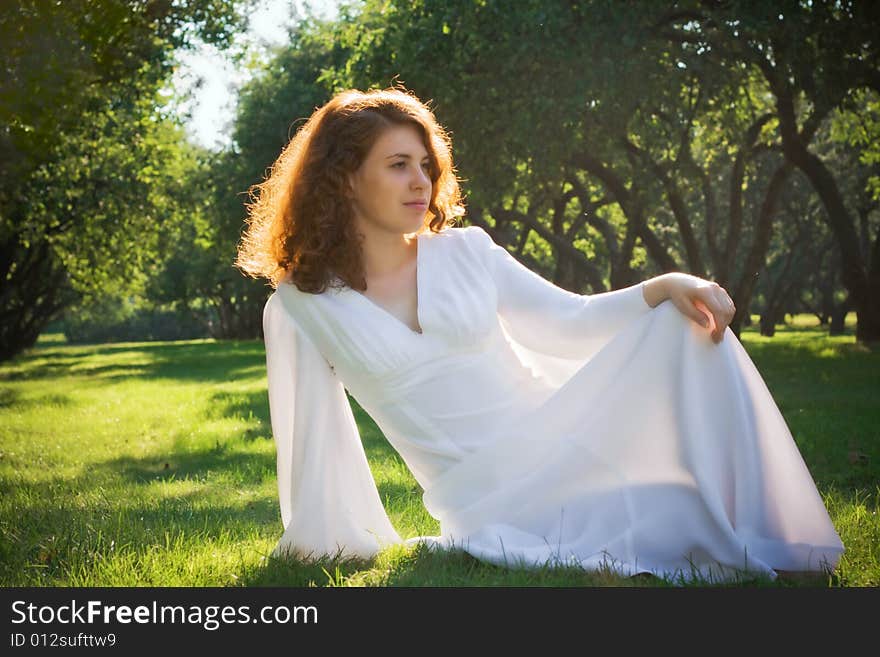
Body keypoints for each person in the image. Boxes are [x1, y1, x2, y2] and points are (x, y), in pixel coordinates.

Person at [235, 85, 845, 585]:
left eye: (426, 165)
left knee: (681, 334)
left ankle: (778, 531)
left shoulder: (467, 251)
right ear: (344, 179)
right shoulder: (302, 304)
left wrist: (666, 284)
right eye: (398, 166)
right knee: (674, 523)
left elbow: (571, 322)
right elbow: (313, 434)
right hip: (482, 497)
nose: (421, 182)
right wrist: (323, 534)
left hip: (560, 443)